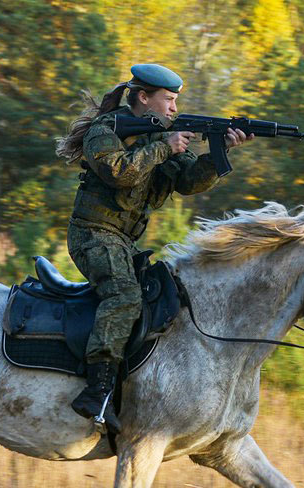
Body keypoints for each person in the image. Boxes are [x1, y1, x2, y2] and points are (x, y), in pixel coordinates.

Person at [54, 63, 252, 434]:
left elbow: (190, 182)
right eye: (169, 100)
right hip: (92, 234)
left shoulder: (167, 136)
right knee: (125, 295)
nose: (175, 108)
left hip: (124, 240)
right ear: (144, 98)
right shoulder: (107, 130)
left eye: (177, 101)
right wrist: (162, 147)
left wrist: (220, 150)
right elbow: (118, 172)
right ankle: (96, 392)